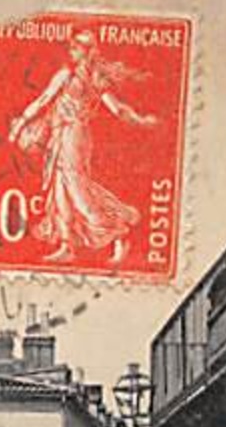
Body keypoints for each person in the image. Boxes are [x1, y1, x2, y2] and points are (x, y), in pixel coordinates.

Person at [9, 28, 159, 264]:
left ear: (86, 51)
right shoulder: (80, 76)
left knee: (77, 191)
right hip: (61, 135)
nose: (72, 51)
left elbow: (114, 107)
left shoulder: (83, 77)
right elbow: (46, 100)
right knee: (60, 192)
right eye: (72, 47)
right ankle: (67, 245)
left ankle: (120, 233)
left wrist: (19, 126)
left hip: (73, 134)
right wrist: (139, 120)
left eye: (76, 48)